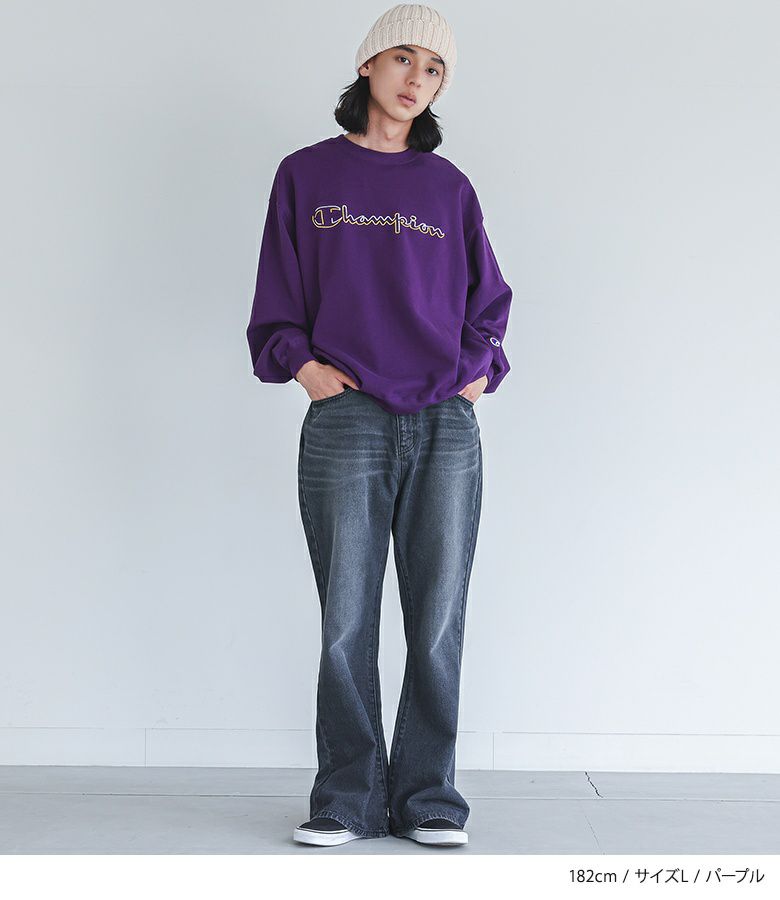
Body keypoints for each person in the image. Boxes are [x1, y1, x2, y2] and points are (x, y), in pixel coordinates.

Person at [246, 3, 513, 848]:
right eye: (403, 59)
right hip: (348, 417)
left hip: (443, 421)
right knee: (346, 622)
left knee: (436, 622)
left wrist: (475, 373)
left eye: (433, 70)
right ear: (367, 65)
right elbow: (277, 294)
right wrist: (305, 368)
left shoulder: (448, 188)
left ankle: (429, 797)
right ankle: (348, 798)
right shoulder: (306, 175)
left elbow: (489, 301)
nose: (415, 79)